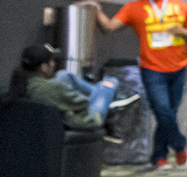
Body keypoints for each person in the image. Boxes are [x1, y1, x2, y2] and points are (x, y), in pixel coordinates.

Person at [82, 0, 187, 168]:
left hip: (178, 69)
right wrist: (97, 11)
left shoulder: (181, 6)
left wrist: (183, 32)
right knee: (162, 110)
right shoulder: (134, 8)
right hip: (152, 69)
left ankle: (159, 156)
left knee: (168, 113)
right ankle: (180, 145)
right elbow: (109, 27)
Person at [8, 43, 138, 141]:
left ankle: (104, 96)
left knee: (63, 75)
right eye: (51, 61)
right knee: (110, 82)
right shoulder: (51, 88)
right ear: (43, 67)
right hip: (86, 119)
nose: (53, 64)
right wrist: (101, 92)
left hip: (60, 113)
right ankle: (110, 105)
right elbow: (85, 103)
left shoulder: (20, 82)